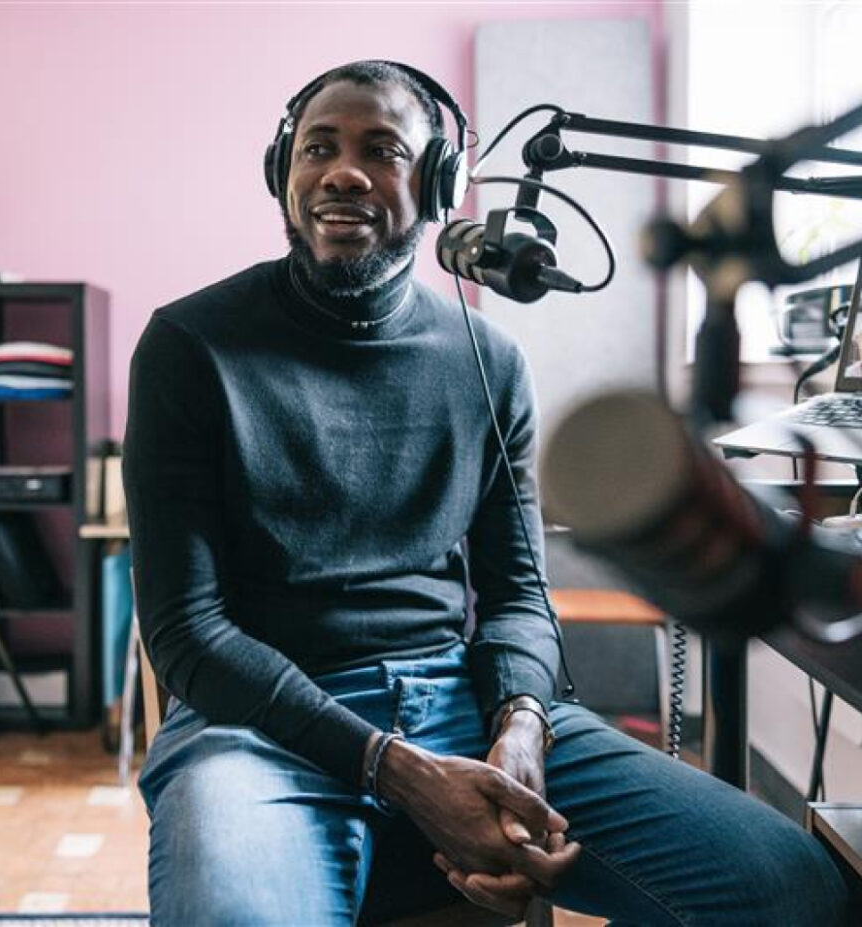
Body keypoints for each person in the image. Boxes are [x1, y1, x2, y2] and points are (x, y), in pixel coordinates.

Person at [123, 59, 848, 926]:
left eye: (382, 150)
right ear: (282, 171)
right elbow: (187, 633)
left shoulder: (490, 360)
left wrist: (522, 725)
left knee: (789, 887)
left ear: (439, 184)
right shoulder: (188, 345)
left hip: (461, 704)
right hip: (258, 728)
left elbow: (519, 595)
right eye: (318, 148)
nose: (342, 172)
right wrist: (396, 769)